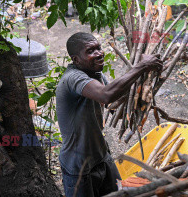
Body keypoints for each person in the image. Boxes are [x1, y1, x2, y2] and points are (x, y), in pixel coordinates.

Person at [56, 32, 163, 197]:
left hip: (101, 155)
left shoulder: (96, 75)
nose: (99, 53)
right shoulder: (72, 78)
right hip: (78, 165)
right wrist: (141, 66)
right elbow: (106, 94)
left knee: (118, 194)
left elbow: (115, 104)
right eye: (90, 51)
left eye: (99, 48)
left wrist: (141, 94)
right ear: (76, 59)